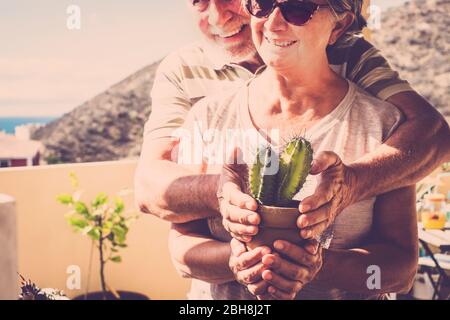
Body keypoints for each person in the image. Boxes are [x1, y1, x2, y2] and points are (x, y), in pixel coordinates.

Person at [134, 0, 449, 298]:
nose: (273, 21)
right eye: (263, 4)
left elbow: (400, 270)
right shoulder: (206, 115)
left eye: (298, 8)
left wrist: (320, 265)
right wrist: (235, 260)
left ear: (339, 27)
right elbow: (179, 244)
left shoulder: (386, 124)